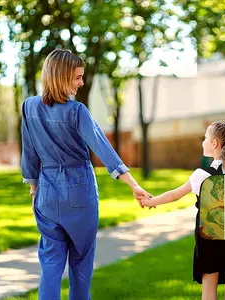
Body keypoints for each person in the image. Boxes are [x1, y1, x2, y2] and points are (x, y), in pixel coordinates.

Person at [21, 49, 150, 300]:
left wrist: (34, 189)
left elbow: (29, 153)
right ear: (61, 77)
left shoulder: (29, 107)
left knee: (50, 264)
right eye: (77, 77)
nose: (81, 83)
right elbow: (103, 148)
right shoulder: (76, 110)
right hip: (80, 191)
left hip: (46, 193)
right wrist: (133, 184)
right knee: (81, 264)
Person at [142, 120, 225, 300]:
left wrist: (151, 202)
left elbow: (175, 195)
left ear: (214, 144)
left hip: (209, 243)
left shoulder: (201, 175)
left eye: (205, 138)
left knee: (208, 294)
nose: (202, 142)